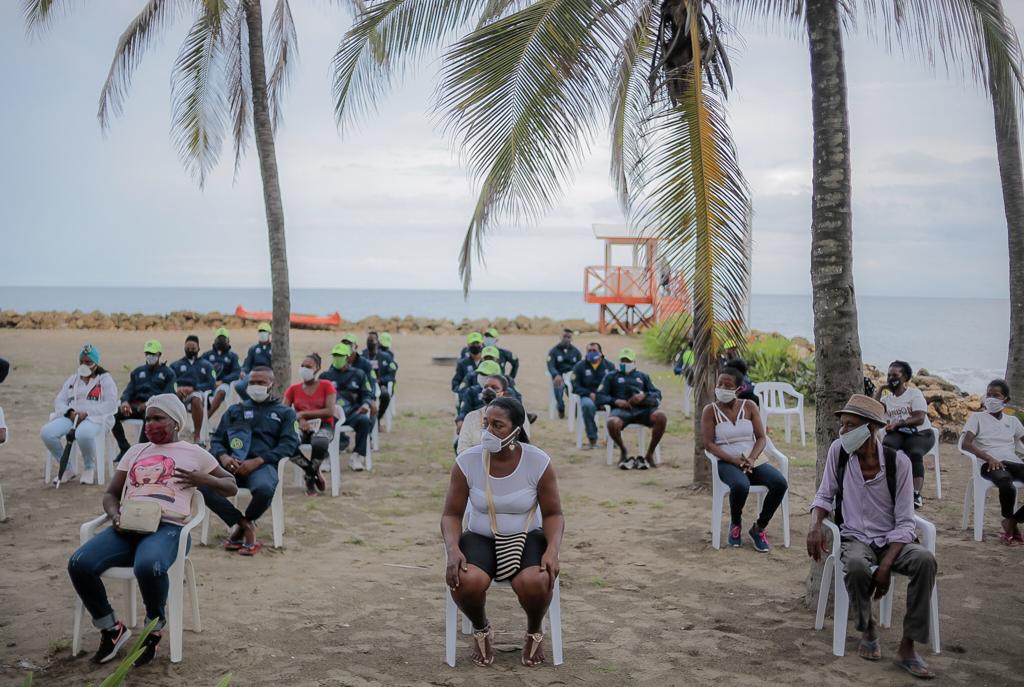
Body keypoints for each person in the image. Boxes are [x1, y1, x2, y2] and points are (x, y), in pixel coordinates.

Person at [67, 394, 236, 666]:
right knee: (79, 563)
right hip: (128, 526)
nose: (150, 424)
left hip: (169, 529)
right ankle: (111, 629)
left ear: (175, 422)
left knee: (149, 566)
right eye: (148, 419)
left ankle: (152, 630)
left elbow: (231, 486)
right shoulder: (136, 451)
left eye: (158, 419)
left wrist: (201, 479)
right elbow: (111, 494)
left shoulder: (194, 453)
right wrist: (115, 515)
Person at [807, 394, 937, 679]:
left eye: (849, 425)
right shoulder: (838, 452)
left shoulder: (898, 464)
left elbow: (905, 522)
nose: (842, 432)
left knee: (925, 560)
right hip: (855, 537)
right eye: (842, 425)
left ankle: (908, 646)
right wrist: (815, 524)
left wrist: (887, 565)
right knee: (854, 565)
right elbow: (824, 494)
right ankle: (868, 626)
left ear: (869, 428)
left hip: (893, 540)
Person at [442, 397, 564, 668]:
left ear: (516, 431)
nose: (488, 432)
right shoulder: (467, 461)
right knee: (464, 579)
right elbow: (451, 514)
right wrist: (453, 549)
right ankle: (481, 627)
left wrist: (553, 550)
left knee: (537, 580)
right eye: (486, 423)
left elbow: (554, 514)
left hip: (526, 536)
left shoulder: (538, 462)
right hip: (480, 537)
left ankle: (534, 630)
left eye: (498, 425)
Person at [201, 367, 298, 555]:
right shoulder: (235, 410)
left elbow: (289, 445)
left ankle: (245, 524)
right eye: (252, 382)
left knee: (264, 489)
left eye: (261, 383)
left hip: (263, 466)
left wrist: (259, 461)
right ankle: (244, 524)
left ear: (272, 385)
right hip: (231, 466)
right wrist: (224, 457)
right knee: (203, 486)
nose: (256, 386)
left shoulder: (285, 413)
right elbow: (217, 440)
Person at [701, 368, 787, 552]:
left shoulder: (749, 406)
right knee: (741, 485)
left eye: (728, 385)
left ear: (739, 389)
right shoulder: (710, 410)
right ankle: (736, 523)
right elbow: (708, 444)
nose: (722, 388)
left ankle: (759, 528)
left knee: (779, 483)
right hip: (726, 460)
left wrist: (751, 458)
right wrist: (734, 460)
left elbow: (761, 438)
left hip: (752, 458)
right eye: (720, 384)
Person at [41, 345, 118, 485]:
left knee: (83, 433)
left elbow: (111, 403)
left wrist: (88, 413)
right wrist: (69, 412)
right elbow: (59, 400)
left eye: (88, 362)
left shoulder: (105, 379)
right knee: (47, 433)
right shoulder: (73, 379)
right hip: (72, 417)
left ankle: (89, 467)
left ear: (96, 363)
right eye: (82, 361)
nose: (84, 365)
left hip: (96, 419)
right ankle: (67, 468)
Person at [961, 379, 1024, 544]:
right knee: (1005, 483)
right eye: (988, 394)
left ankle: (1011, 521)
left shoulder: (1012, 421)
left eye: (996, 395)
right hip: (988, 464)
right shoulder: (977, 418)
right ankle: (1010, 521)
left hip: (1013, 462)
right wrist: (988, 458)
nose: (991, 399)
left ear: (1006, 400)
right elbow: (966, 444)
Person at [874, 360, 933, 509]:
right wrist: (881, 388)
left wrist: (898, 423)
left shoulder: (914, 394)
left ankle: (915, 494)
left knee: (915, 452)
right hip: (899, 433)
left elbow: (919, 418)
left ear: (905, 377)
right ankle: (888, 488)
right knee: (886, 448)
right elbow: (874, 411)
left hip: (920, 433)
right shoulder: (888, 400)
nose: (890, 378)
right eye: (888, 375)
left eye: (894, 375)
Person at [596, 348, 666, 470]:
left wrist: (644, 395)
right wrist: (615, 401)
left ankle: (649, 454)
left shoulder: (643, 376)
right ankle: (623, 451)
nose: (625, 363)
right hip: (622, 411)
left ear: (634, 362)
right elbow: (600, 396)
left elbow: (657, 393)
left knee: (661, 416)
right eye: (623, 360)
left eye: (628, 361)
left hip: (643, 410)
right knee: (612, 423)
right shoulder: (611, 376)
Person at [112, 340, 176, 460]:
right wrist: (125, 401)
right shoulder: (137, 372)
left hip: (154, 408)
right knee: (113, 416)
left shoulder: (168, 373)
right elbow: (129, 390)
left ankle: (141, 451)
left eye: (153, 354)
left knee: (148, 417)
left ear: (159, 354)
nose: (150, 356)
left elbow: (168, 394)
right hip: (135, 406)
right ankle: (124, 449)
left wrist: (149, 404)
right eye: (148, 353)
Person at [284, 354, 337, 496]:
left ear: (317, 369)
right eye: (302, 366)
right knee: (286, 443)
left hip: (323, 425)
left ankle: (309, 480)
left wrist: (304, 415)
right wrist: (299, 420)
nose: (304, 369)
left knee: (319, 442)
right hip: (300, 427)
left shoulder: (327, 386)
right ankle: (311, 471)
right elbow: (285, 412)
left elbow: (330, 411)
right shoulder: (293, 389)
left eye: (308, 366)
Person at [320, 343, 375, 471]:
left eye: (340, 356)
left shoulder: (359, 374)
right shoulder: (325, 376)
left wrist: (366, 404)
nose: (337, 358)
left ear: (347, 357)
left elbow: (367, 393)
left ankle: (357, 456)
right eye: (335, 356)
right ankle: (326, 457)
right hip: (332, 414)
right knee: (324, 424)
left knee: (364, 421)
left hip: (352, 412)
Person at [457, 374, 531, 454]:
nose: (488, 390)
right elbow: (462, 449)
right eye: (485, 387)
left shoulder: (516, 414)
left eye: (494, 388)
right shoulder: (471, 417)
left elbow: (522, 445)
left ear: (504, 393)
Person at [170, 336, 217, 444]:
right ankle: (173, 434)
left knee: (196, 399)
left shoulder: (207, 365)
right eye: (188, 348)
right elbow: (170, 382)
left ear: (198, 349)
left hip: (197, 392)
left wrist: (193, 388)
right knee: (173, 399)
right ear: (184, 348)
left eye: (193, 349)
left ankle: (197, 435)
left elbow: (211, 384)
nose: (190, 351)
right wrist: (178, 389)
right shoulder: (176, 365)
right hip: (180, 393)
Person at [570, 342, 615, 449]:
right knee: (587, 406)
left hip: (604, 397)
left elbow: (615, 385)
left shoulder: (610, 366)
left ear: (600, 352)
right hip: (587, 396)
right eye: (589, 351)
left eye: (594, 351)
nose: (592, 353)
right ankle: (592, 438)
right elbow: (575, 386)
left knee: (617, 405)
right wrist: (588, 394)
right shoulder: (579, 366)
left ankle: (614, 439)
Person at [455, 360, 504, 439]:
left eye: (486, 375)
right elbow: (464, 410)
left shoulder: (507, 393)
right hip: (476, 427)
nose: (483, 377)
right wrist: (460, 420)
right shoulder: (471, 391)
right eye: (481, 374)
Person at [203, 328, 241, 416]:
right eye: (219, 339)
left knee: (222, 392)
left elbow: (236, 373)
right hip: (208, 384)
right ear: (215, 340)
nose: (221, 341)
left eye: (223, 339)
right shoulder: (207, 355)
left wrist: (223, 381)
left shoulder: (233, 356)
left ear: (228, 340)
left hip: (224, 384)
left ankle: (206, 417)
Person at [546, 329, 581, 420]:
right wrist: (556, 375)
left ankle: (576, 410)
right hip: (559, 375)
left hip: (572, 376)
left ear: (572, 338)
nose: (566, 339)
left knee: (577, 388)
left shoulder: (576, 352)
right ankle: (561, 407)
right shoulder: (553, 351)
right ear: (560, 337)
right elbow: (551, 365)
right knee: (558, 386)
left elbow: (580, 366)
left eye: (568, 337)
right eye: (564, 336)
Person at [362, 331, 397, 421]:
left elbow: (391, 376)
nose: (371, 342)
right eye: (369, 340)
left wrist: (380, 380)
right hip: (365, 385)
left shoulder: (386, 357)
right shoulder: (362, 356)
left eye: (373, 340)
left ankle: (378, 418)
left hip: (380, 384)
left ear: (378, 342)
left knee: (385, 394)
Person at [236, 323, 273, 396]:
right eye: (260, 332)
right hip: (254, 373)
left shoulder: (274, 348)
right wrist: (243, 371)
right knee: (239, 386)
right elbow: (247, 365)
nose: (262, 334)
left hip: (268, 374)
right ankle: (250, 403)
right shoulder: (253, 349)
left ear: (269, 334)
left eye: (264, 332)